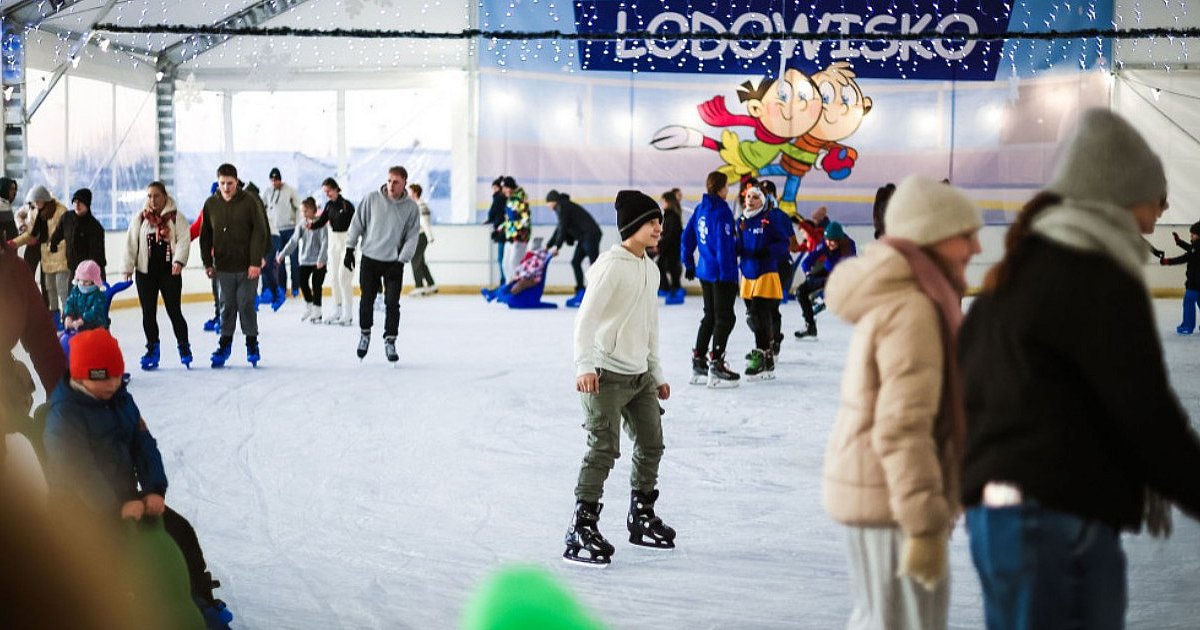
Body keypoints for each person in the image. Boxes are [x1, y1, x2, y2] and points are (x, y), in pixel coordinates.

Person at [960, 108, 1200, 629]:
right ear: (1118, 193)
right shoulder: (1097, 276)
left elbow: (966, 390)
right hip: (1053, 517)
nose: (1160, 211)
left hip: (1000, 515)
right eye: (1154, 196)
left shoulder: (1016, 274)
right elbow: (1143, 409)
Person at [823, 175, 982, 630]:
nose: (975, 246)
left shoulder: (912, 296)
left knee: (882, 619)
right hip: (891, 499)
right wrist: (925, 525)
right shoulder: (914, 308)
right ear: (931, 238)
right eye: (964, 235)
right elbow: (901, 428)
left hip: (879, 490)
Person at [564, 190, 675, 566]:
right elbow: (586, 320)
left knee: (652, 443)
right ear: (631, 226)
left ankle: (640, 515)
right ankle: (581, 525)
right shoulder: (611, 266)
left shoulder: (651, 268)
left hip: (639, 375)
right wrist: (584, 365)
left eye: (659, 221)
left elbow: (650, 327)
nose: (658, 227)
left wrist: (656, 373)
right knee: (603, 448)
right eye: (651, 221)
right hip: (604, 373)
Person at [344, 166, 420, 364]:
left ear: (405, 182)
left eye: (396, 182)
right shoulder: (372, 199)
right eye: (389, 181)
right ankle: (365, 334)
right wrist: (349, 249)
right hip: (370, 258)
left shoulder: (411, 208)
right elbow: (357, 223)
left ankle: (390, 340)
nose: (391, 185)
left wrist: (401, 259)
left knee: (392, 303)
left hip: (393, 262)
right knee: (366, 299)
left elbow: (412, 237)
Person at [200, 164, 270, 368]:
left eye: (230, 183)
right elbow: (205, 236)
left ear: (237, 182)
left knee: (246, 303)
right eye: (222, 183)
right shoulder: (211, 204)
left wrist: (256, 261)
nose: (226, 187)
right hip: (223, 265)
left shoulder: (249, 201)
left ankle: (251, 343)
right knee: (227, 305)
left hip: (248, 265)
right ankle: (225, 343)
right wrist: (207, 262)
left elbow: (260, 231)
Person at [123, 181, 192, 370]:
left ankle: (183, 345)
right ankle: (152, 348)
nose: (152, 200)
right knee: (148, 312)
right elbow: (131, 243)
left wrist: (179, 261)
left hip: (170, 273)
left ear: (165, 196)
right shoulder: (141, 218)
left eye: (156, 196)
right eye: (149, 196)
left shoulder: (176, 217)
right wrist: (128, 267)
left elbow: (184, 241)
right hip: (145, 273)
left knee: (174, 311)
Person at [682, 171, 740, 388]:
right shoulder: (722, 211)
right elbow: (725, 246)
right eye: (726, 186)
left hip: (705, 271)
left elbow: (687, 237)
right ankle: (716, 364)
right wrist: (729, 277)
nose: (728, 190)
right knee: (725, 318)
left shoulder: (700, 209)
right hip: (720, 273)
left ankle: (699, 361)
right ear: (720, 188)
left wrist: (688, 262)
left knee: (710, 316)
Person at [735, 186, 789, 380]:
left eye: (755, 197)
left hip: (766, 272)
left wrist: (768, 252)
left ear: (763, 200)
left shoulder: (769, 219)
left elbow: (784, 243)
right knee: (754, 316)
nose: (750, 200)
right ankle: (767, 356)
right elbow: (737, 244)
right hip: (748, 274)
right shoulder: (741, 221)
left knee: (759, 313)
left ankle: (762, 353)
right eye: (748, 196)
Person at [13, 185, 69, 329]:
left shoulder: (60, 211)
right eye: (34, 202)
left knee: (62, 288)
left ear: (44, 199)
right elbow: (31, 234)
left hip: (60, 256)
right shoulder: (38, 212)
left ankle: (67, 317)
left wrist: (56, 245)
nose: (36, 205)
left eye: (38, 202)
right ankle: (55, 318)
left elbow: (67, 233)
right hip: (47, 257)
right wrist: (14, 243)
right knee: (50, 288)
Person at [794, 220, 856, 340]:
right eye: (827, 240)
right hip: (827, 271)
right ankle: (810, 326)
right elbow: (807, 261)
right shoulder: (824, 244)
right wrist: (808, 274)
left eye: (833, 241)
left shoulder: (848, 245)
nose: (829, 244)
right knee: (801, 291)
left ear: (840, 240)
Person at [545, 189, 603, 307]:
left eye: (548, 203)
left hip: (590, 235)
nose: (547, 206)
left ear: (553, 201)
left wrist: (557, 247)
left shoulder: (563, 206)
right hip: (584, 237)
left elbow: (562, 229)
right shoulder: (562, 207)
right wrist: (549, 245)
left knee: (594, 265)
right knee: (575, 262)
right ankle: (581, 292)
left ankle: (597, 294)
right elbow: (559, 228)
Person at [277, 197, 329, 323]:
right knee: (302, 283)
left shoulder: (321, 224)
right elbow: (293, 241)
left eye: (305, 211)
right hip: (305, 260)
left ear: (312, 210)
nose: (303, 214)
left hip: (319, 261)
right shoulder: (302, 224)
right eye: (302, 211)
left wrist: (321, 260)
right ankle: (309, 306)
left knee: (317, 285)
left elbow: (324, 243)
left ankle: (317, 311)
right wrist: (282, 254)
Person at [312, 177, 356, 324]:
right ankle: (337, 309)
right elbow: (322, 221)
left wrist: (353, 245)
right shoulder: (329, 205)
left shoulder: (347, 205)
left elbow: (357, 224)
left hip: (348, 241)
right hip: (334, 241)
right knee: (334, 277)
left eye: (328, 191)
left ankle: (348, 313)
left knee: (344, 277)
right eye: (325, 192)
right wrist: (311, 225)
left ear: (336, 188)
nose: (327, 194)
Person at [50, 188, 107, 282]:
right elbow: (58, 232)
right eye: (75, 201)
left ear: (87, 204)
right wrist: (53, 243)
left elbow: (96, 256)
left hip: (89, 273)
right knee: (71, 296)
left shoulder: (95, 227)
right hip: (73, 269)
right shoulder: (67, 218)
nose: (77, 204)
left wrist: (92, 277)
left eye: (81, 202)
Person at [263, 167, 301, 298]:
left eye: (276, 180)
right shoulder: (268, 192)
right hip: (276, 232)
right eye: (272, 181)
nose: (274, 183)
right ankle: (282, 288)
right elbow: (262, 207)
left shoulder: (289, 190)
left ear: (280, 179)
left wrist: (297, 225)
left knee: (294, 260)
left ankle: (296, 287)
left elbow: (299, 207)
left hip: (290, 230)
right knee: (279, 262)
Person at [480, 237, 552, 304]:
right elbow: (522, 267)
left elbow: (532, 271)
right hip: (525, 276)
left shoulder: (537, 258)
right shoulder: (531, 257)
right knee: (509, 282)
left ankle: (496, 295)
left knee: (512, 283)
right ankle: (494, 294)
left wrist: (519, 276)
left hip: (531, 279)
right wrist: (517, 274)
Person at [1160, 222, 1200, 334]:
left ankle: (1187, 326)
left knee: (1189, 301)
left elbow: (1184, 257)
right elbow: (1190, 248)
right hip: (1197, 284)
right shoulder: (1196, 247)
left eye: (1194, 234)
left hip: (1195, 284)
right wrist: (1179, 242)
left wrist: (1167, 261)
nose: (1191, 236)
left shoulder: (1196, 249)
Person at [408, 183, 438, 296]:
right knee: (420, 262)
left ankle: (419, 286)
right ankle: (431, 284)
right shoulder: (416, 205)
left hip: (420, 236)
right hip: (419, 236)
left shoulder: (419, 205)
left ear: (415, 193)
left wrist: (430, 236)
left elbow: (424, 222)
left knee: (415, 260)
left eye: (409, 191)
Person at [500, 176, 532, 285]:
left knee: (515, 263)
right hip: (510, 236)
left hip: (519, 236)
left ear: (510, 187)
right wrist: (503, 226)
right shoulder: (510, 199)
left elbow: (525, 217)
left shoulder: (520, 197)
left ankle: (516, 288)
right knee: (505, 263)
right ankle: (509, 287)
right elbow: (510, 218)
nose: (503, 191)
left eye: (505, 188)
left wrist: (519, 230)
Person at [62, 260, 110, 332]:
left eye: (86, 281)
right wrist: (68, 316)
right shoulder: (76, 290)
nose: (82, 283)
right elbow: (69, 303)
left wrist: (82, 320)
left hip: (94, 326)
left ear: (94, 281)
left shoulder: (98, 294)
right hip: (77, 323)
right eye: (81, 280)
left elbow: (95, 311)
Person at [656, 191, 685, 305]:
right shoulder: (669, 216)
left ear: (668, 202)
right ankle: (669, 289)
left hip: (671, 249)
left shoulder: (672, 216)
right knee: (664, 267)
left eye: (663, 201)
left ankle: (673, 291)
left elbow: (671, 235)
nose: (662, 203)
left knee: (672, 270)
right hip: (669, 248)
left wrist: (660, 245)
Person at [486, 176, 508, 287]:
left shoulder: (499, 198)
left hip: (502, 231)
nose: (493, 190)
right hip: (504, 230)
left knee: (502, 257)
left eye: (495, 187)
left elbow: (493, 212)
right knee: (505, 257)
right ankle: (504, 280)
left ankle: (504, 280)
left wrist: (491, 221)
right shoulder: (503, 197)